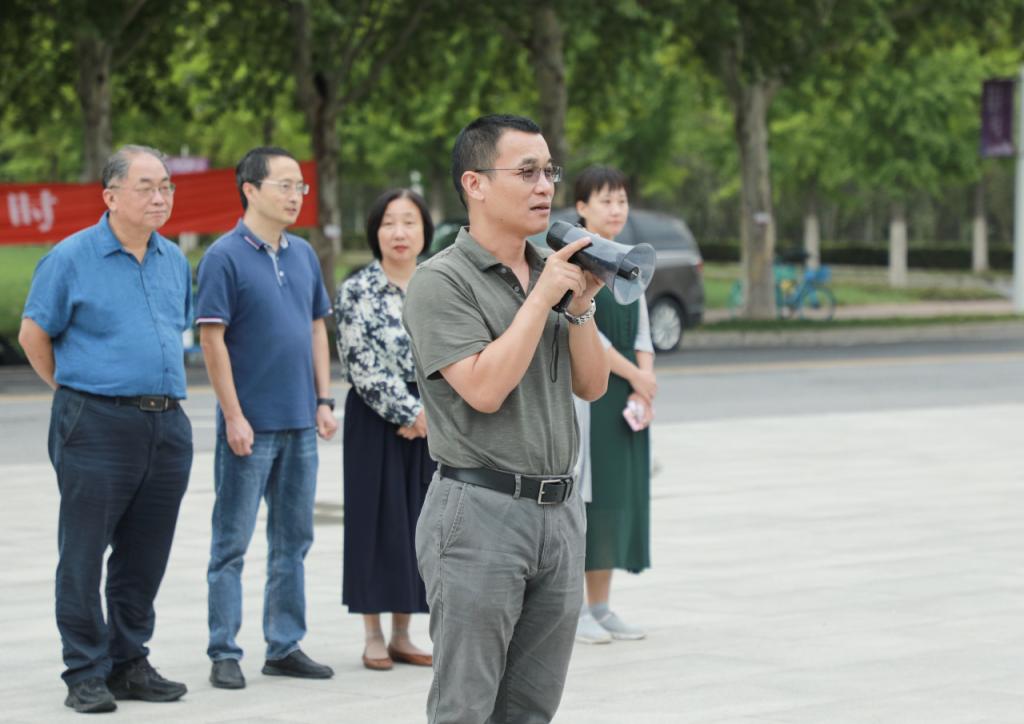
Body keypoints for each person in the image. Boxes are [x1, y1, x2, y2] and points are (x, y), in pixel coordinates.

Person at [403, 114, 611, 724]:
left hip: (560, 513)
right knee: (465, 707)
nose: (545, 185)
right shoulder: (440, 281)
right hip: (480, 512)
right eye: (526, 172)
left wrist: (580, 306)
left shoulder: (551, 270)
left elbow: (592, 385)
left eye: (549, 171)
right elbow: (485, 390)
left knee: (531, 708)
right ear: (475, 183)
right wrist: (542, 299)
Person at [19, 145, 193, 714]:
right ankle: (84, 670)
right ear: (110, 196)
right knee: (84, 551)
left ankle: (128, 661)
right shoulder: (71, 257)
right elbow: (33, 336)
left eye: (166, 186)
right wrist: (76, 389)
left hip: (166, 423)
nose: (160, 197)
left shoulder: (172, 260)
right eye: (146, 187)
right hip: (94, 422)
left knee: (145, 554)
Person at [196, 146, 338, 690]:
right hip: (249, 428)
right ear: (250, 190)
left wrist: (323, 400)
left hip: (300, 423)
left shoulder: (303, 254)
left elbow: (316, 327)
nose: (295, 195)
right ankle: (223, 650)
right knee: (230, 543)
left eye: (300, 186)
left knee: (292, 540)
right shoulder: (223, 257)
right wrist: (233, 415)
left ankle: (284, 645)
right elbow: (212, 341)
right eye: (284, 185)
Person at [334, 188, 437, 671]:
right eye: (389, 222)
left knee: (420, 525)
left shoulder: (439, 283)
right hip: (376, 423)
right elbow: (361, 364)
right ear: (375, 231)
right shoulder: (357, 290)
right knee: (374, 524)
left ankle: (403, 633)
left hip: (433, 423)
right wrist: (409, 414)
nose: (399, 232)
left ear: (424, 231)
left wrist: (431, 415)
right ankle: (373, 634)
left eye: (409, 222)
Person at [570, 166, 655, 645]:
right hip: (594, 392)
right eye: (605, 200)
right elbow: (590, 338)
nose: (616, 209)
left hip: (626, 397)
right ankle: (575, 609)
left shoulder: (632, 259)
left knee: (614, 502)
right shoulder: (577, 260)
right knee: (588, 499)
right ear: (581, 207)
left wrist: (645, 383)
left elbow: (641, 330)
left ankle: (600, 606)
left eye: (621, 200)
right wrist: (635, 376)